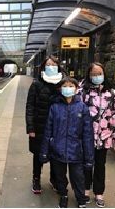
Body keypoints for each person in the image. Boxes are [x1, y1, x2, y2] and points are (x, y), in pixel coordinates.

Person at [40, 77, 94, 208]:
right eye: (65, 86)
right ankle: (63, 195)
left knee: (78, 177)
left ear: (76, 89)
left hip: (76, 150)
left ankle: (80, 197)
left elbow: (88, 134)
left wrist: (89, 158)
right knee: (60, 176)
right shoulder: (55, 107)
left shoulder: (82, 108)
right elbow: (48, 131)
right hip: (57, 149)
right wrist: (44, 152)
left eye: (71, 86)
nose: (68, 88)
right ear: (60, 89)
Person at [81, 62, 115, 207]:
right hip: (86, 136)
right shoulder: (83, 91)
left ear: (104, 74)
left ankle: (99, 193)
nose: (97, 76)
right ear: (89, 75)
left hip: (103, 137)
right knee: (86, 164)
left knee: (100, 165)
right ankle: (85, 190)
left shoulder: (111, 93)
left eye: (99, 73)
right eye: (94, 74)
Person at [25, 55, 64, 194]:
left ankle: (54, 179)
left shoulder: (63, 84)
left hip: (57, 128)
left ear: (58, 67)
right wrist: (30, 128)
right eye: (48, 65)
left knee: (56, 155)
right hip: (39, 126)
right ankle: (36, 179)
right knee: (38, 155)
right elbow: (30, 106)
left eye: (54, 64)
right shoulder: (36, 84)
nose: (51, 67)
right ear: (43, 67)